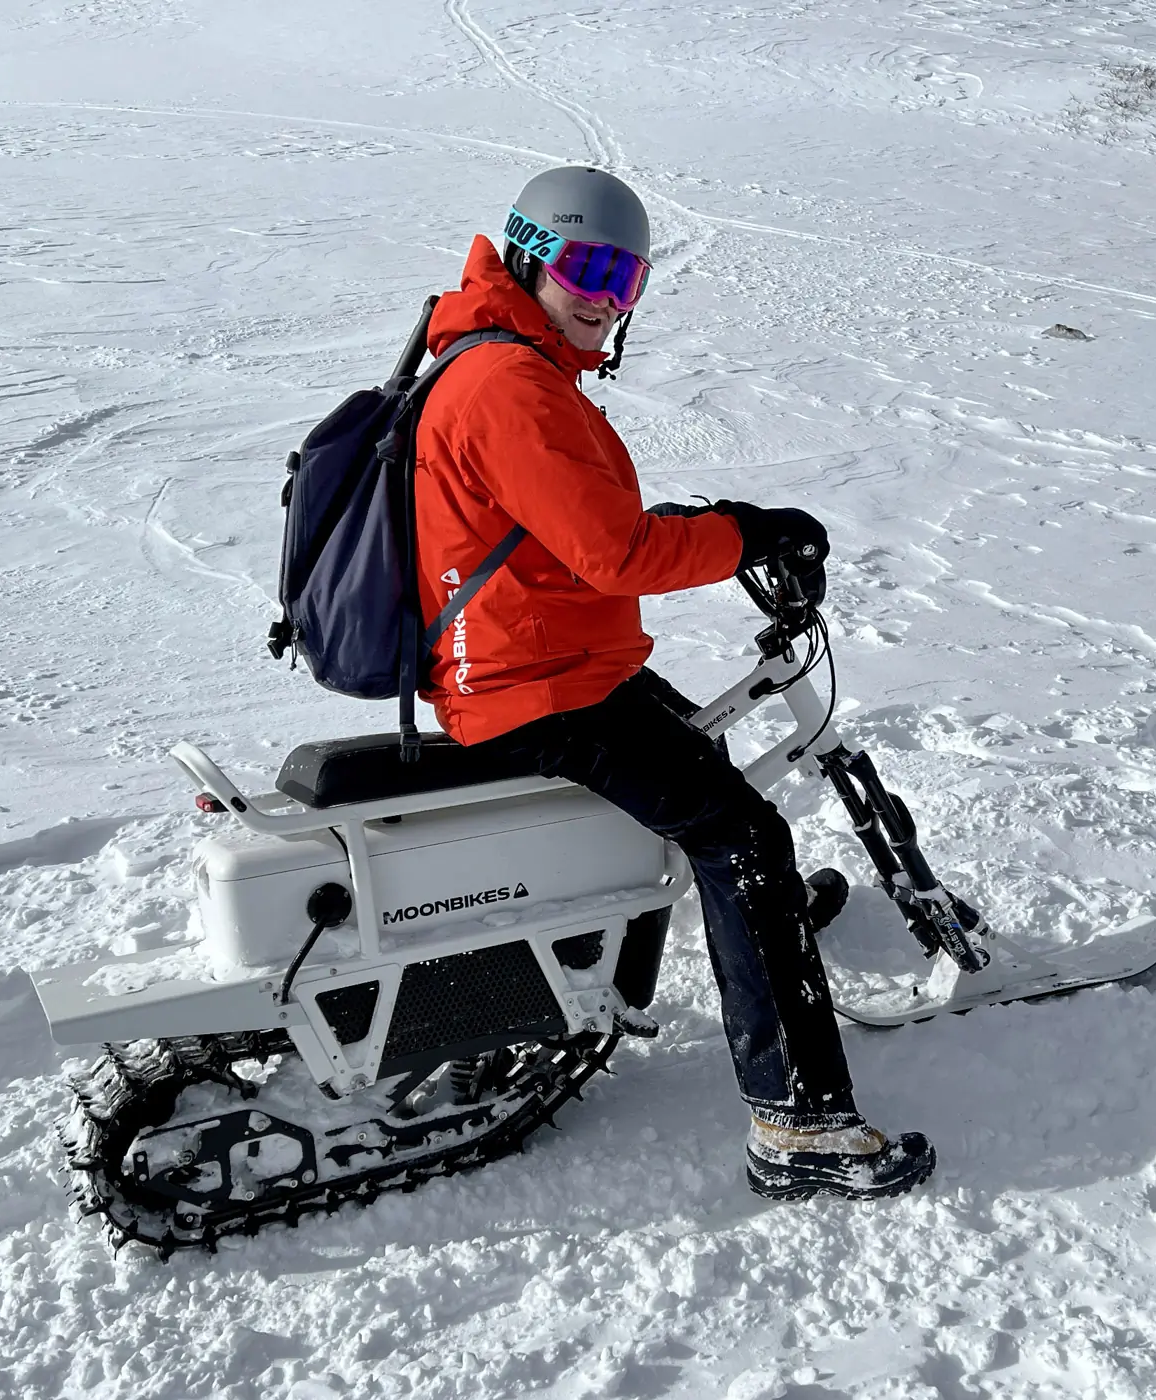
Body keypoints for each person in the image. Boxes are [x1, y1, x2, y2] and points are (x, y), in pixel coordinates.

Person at [410, 166, 935, 1201]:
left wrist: (722, 527)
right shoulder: (508, 385)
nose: (606, 297)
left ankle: (764, 932)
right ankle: (799, 1122)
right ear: (526, 253)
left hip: (553, 658)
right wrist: (748, 533)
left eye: (628, 277)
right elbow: (612, 553)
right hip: (535, 690)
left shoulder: (507, 360)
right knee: (742, 835)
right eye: (587, 267)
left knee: (704, 768)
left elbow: (567, 536)